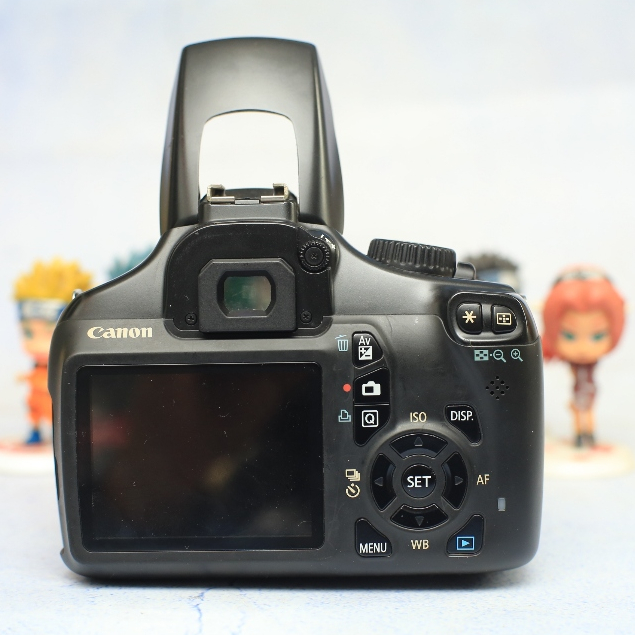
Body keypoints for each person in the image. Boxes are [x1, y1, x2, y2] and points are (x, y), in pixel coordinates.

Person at [542, 267, 625, 448]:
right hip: (581, 391)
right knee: (580, 409)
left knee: (586, 409)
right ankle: (581, 434)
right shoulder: (574, 365)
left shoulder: (590, 365)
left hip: (588, 390)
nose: (583, 348)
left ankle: (587, 434)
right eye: (569, 335)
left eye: (598, 335)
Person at [14, 259, 92, 444]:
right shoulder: (39, 366)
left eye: (49, 333)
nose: (37, 344)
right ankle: (36, 433)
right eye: (29, 332)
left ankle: (59, 436)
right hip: (39, 399)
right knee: (34, 408)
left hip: (56, 401)